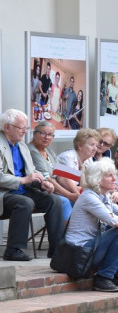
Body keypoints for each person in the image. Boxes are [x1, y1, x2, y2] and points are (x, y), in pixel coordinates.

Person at [0, 109, 65, 261]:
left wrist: (42, 182)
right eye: (21, 127)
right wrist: (22, 180)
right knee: (25, 202)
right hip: (5, 193)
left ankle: (56, 250)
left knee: (54, 200)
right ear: (7, 127)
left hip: (22, 191)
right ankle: (13, 250)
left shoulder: (22, 146)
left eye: (26, 128)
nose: (24, 131)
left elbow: (32, 171)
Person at [64, 158, 118, 292]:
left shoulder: (104, 196)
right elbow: (116, 222)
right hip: (80, 253)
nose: (114, 179)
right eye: (110, 175)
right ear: (97, 179)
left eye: (115, 175)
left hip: (91, 248)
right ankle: (103, 278)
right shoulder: (89, 197)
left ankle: (114, 276)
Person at [28, 121, 76, 221]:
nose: (46, 137)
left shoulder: (49, 151)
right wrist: (69, 195)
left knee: (82, 198)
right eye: (42, 133)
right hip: (40, 190)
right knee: (65, 201)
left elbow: (62, 175)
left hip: (56, 189)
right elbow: (48, 178)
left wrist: (76, 193)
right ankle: (67, 234)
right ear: (34, 134)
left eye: (50, 135)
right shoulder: (32, 151)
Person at [55, 128, 100, 204]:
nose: (95, 149)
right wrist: (84, 193)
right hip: (62, 194)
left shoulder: (89, 159)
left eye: (96, 145)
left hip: (76, 193)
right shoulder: (68, 157)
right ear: (80, 146)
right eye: (92, 145)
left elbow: (91, 182)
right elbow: (66, 183)